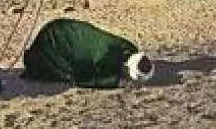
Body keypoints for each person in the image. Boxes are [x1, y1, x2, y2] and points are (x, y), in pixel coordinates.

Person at [20, 17, 155, 89]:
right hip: (56, 38)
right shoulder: (102, 58)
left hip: (65, 29)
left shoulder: (130, 48)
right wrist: (113, 82)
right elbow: (83, 80)